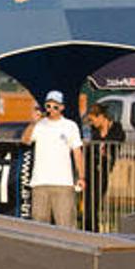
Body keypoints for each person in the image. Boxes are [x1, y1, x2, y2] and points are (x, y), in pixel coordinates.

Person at [21, 90, 85, 228]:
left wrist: (81, 176)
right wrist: (33, 123)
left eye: (55, 106)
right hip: (40, 183)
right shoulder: (39, 125)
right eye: (48, 106)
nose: (51, 109)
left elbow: (77, 152)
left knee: (66, 225)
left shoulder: (70, 126)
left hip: (63, 183)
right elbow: (25, 140)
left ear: (62, 107)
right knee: (39, 226)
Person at [83, 103, 125, 232]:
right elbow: (88, 145)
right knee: (88, 201)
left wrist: (104, 141)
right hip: (90, 167)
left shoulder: (116, 128)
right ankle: (90, 228)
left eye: (93, 119)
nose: (92, 123)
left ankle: (93, 228)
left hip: (104, 169)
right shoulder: (92, 130)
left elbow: (117, 141)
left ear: (101, 116)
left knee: (96, 199)